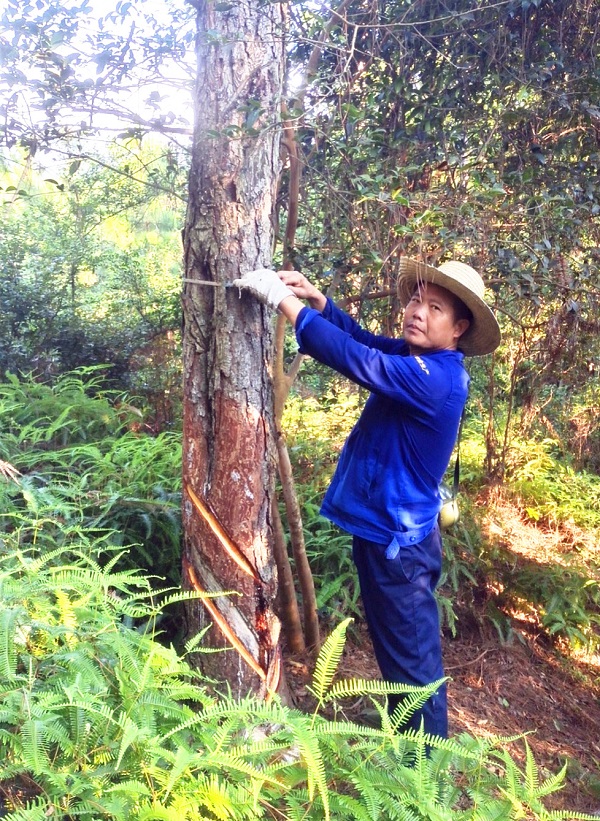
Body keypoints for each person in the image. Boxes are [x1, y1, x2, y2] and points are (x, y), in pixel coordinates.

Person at [233, 259, 501, 738]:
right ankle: (408, 747)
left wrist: (284, 302)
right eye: (416, 300)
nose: (417, 312)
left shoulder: (436, 378)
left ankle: (424, 768)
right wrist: (319, 303)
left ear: (458, 328)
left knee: (414, 667)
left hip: (400, 550)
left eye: (435, 308)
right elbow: (366, 343)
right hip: (384, 536)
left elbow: (361, 361)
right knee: (399, 656)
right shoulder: (417, 358)